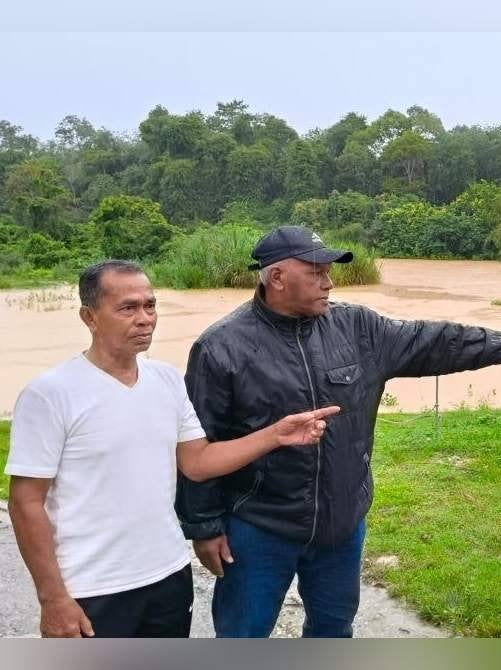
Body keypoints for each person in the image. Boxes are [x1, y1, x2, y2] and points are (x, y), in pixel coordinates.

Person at [176, 225, 501, 638]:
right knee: (243, 638)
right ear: (278, 278)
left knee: (334, 630)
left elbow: (434, 342)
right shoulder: (221, 347)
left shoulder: (358, 329)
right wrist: (204, 526)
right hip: (259, 527)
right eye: (316, 272)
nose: (329, 281)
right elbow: (198, 444)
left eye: (328, 271)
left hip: (342, 525)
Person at [5, 260, 340, 638]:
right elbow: (25, 502)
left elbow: (197, 463)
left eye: (150, 306)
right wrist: (53, 599)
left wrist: (275, 435)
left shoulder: (164, 380)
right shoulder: (51, 393)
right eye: (128, 308)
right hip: (90, 587)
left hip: (167, 576)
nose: (145, 318)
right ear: (89, 316)